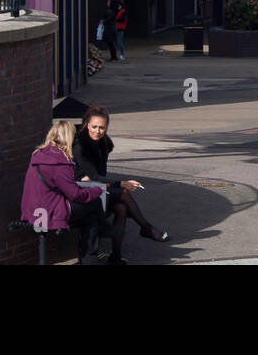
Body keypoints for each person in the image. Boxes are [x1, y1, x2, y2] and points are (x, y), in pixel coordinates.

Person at [73, 107, 168, 264]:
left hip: (97, 188)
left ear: (106, 127)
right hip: (83, 191)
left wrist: (115, 184)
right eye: (94, 126)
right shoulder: (80, 145)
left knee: (121, 208)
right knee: (123, 193)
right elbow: (94, 177)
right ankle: (146, 228)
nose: (97, 131)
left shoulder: (103, 144)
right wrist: (121, 183)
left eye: (102, 127)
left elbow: (100, 176)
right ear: (86, 125)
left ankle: (115, 256)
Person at [19, 120, 108, 264]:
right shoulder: (60, 162)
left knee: (90, 217)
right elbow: (75, 195)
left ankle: (90, 259)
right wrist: (97, 190)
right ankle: (103, 236)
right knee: (94, 202)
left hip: (32, 210)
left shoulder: (39, 155)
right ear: (69, 138)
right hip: (50, 212)